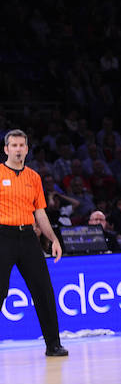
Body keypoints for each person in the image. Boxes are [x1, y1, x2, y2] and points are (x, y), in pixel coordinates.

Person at [0, 129, 68, 357]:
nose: (18, 149)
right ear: (6, 149)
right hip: (3, 236)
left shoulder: (33, 177)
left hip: (28, 237)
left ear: (27, 149)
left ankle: (53, 345)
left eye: (22, 145)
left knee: (44, 290)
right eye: (14, 145)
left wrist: (53, 239)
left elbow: (40, 213)